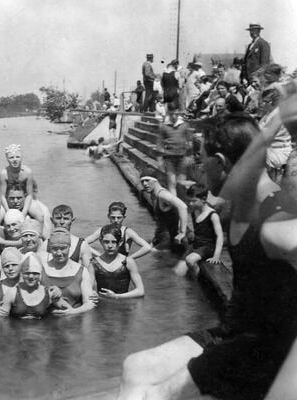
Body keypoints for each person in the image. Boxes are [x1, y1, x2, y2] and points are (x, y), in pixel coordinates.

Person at [117, 111, 297, 400]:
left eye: (202, 162)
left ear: (221, 162)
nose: (199, 171)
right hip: (235, 335)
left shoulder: (274, 218)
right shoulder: (239, 204)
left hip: (263, 353)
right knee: (135, 367)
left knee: (158, 394)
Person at [40, 228, 96, 315]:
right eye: (55, 249)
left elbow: (90, 303)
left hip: (75, 318)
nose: (59, 253)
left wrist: (73, 312)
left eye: (63, 248)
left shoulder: (81, 271)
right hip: (47, 319)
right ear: (50, 249)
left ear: (69, 247)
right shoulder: (41, 269)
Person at [173, 183, 224, 277]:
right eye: (189, 201)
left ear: (204, 199)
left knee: (190, 260)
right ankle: (192, 277)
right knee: (177, 272)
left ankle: (197, 278)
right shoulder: (195, 211)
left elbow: (220, 236)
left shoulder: (212, 215)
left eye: (194, 201)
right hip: (196, 245)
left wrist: (216, 256)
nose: (191, 204)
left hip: (208, 247)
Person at [0, 253, 60, 320]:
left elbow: (66, 311)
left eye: (35, 273)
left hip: (42, 326)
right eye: (27, 273)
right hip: (16, 326)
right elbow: (1, 319)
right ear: (22, 273)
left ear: (40, 274)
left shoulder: (49, 292)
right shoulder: (12, 293)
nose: (31, 276)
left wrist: (67, 311)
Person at [140, 167, 188, 253]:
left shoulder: (163, 195)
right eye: (142, 181)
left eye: (147, 180)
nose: (144, 184)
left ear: (155, 181)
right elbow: (161, 221)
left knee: (149, 255)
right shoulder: (153, 195)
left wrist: (182, 232)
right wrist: (155, 239)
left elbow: (183, 207)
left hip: (173, 238)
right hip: (164, 236)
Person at [91, 224, 144, 299]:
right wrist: (92, 294)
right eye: (106, 242)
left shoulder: (128, 262)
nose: (110, 246)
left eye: (113, 242)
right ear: (101, 241)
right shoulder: (94, 263)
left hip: (123, 303)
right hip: (102, 304)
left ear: (120, 242)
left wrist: (116, 296)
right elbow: (88, 290)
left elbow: (140, 291)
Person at [86, 201, 151, 260]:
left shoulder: (128, 232)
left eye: (119, 217)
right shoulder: (103, 230)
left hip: (121, 267)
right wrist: (99, 256)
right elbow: (83, 243)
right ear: (108, 216)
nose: (116, 220)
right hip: (105, 265)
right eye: (113, 217)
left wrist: (128, 259)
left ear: (124, 217)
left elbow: (147, 247)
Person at [157, 102, 193, 196]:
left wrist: (190, 156)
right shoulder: (164, 126)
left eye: (176, 114)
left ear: (179, 113)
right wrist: (160, 159)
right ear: (168, 113)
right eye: (171, 114)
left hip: (182, 157)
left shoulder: (184, 125)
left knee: (181, 182)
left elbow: (190, 141)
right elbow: (160, 143)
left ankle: (180, 200)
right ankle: (174, 202)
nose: (174, 116)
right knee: (172, 182)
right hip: (169, 158)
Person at [44, 205, 93, 271]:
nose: (62, 222)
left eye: (66, 219)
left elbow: (90, 272)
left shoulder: (82, 245)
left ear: (72, 221)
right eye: (58, 218)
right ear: (52, 220)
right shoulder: (45, 244)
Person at [0, 144, 39, 219]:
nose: (15, 160)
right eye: (11, 157)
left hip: (26, 200)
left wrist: (23, 213)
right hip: (9, 200)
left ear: (21, 157)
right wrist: (8, 212)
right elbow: (2, 196)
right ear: (7, 159)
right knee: (0, 216)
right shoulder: (4, 174)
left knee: (40, 215)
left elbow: (29, 195)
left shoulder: (27, 172)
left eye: (17, 157)